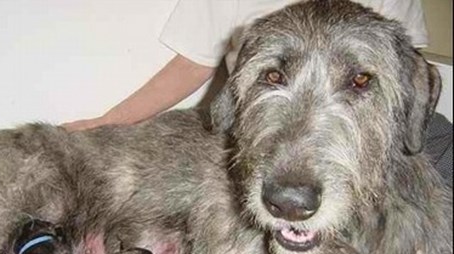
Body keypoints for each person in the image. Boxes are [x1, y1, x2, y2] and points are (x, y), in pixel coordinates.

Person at [61, 0, 429, 132]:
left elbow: (410, 68)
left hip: (371, 127)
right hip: (262, 124)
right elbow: (192, 65)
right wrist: (106, 123)